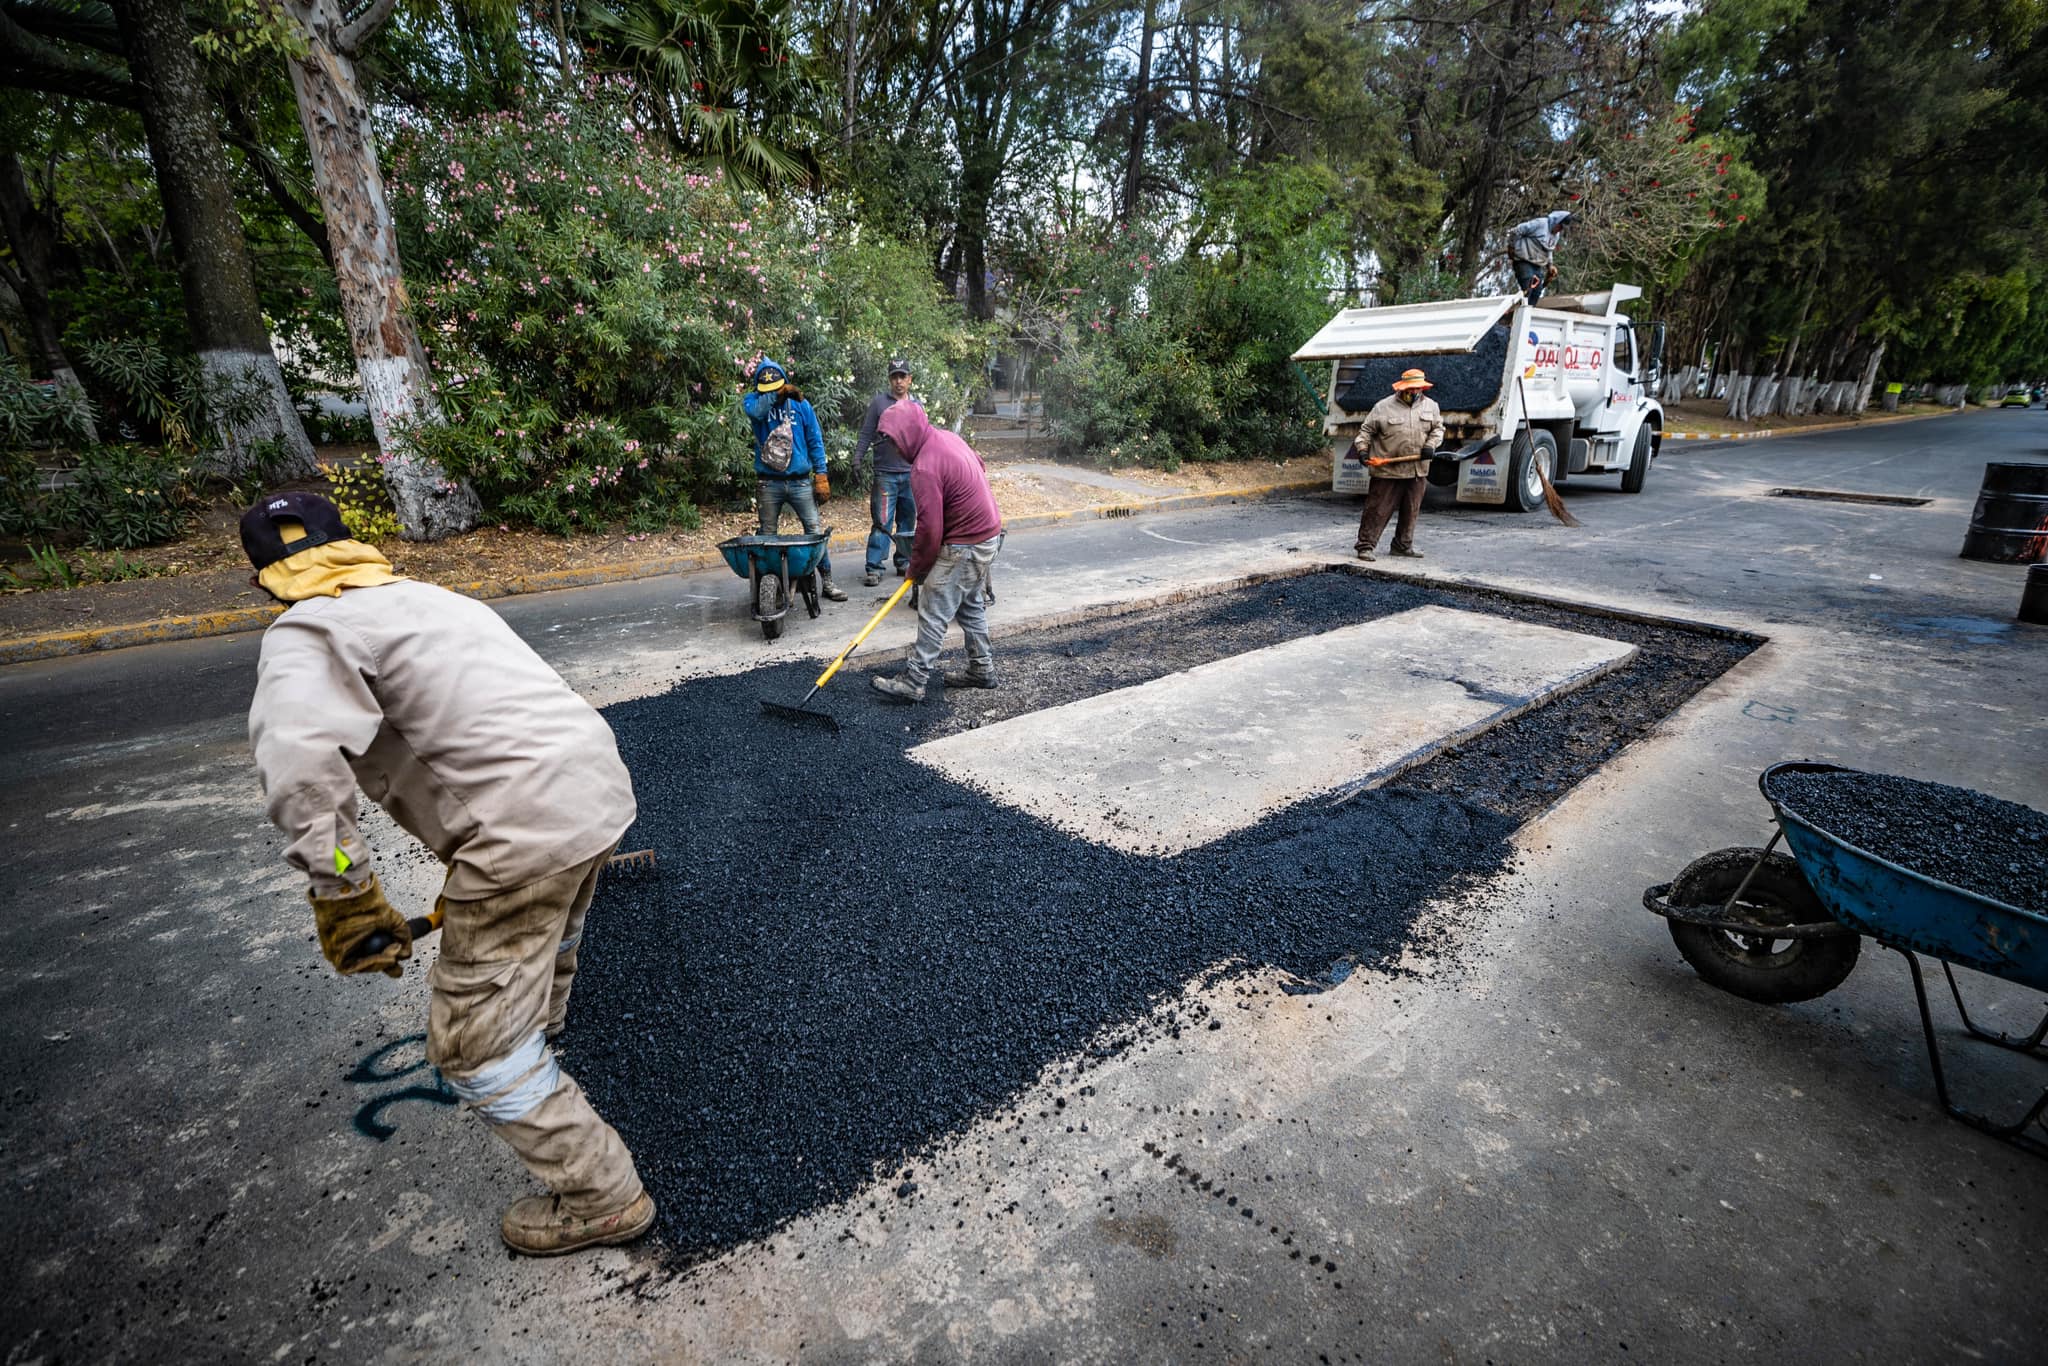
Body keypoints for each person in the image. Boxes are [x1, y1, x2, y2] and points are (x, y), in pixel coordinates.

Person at [239, 491, 653, 1257]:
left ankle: (601, 1195)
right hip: (596, 788)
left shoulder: (305, 630)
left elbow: (299, 770)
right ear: (355, 546)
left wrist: (346, 892)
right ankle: (542, 1022)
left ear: (265, 580)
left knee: (473, 1049)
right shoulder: (428, 598)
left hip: (520, 832)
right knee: (550, 926)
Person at [868, 401, 1004, 702]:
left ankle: (914, 680)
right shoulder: (948, 438)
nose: (893, 447)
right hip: (988, 536)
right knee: (969, 604)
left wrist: (916, 570)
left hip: (966, 542)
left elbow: (930, 529)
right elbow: (979, 465)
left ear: (907, 434)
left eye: (894, 440)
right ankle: (982, 670)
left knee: (933, 605)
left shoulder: (924, 467)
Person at [743, 358, 846, 602]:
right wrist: (774, 395)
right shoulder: (753, 401)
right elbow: (756, 412)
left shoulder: (801, 405)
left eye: (777, 387)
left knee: (814, 532)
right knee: (768, 535)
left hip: (800, 481)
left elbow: (814, 440)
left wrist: (821, 474)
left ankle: (828, 581)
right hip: (769, 482)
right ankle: (770, 588)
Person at [1353, 368, 1445, 562]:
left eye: (1418, 388)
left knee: (1411, 510)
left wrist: (1431, 445)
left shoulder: (1431, 407)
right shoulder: (1383, 407)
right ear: (1402, 388)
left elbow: (1438, 429)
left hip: (1417, 469)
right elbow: (1365, 431)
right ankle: (1365, 546)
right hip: (1387, 471)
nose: (1414, 392)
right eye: (1411, 388)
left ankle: (1402, 546)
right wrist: (1362, 450)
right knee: (1377, 510)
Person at [851, 358, 918, 587]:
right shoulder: (879, 403)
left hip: (911, 473)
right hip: (885, 474)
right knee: (882, 521)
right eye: (894, 376)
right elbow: (866, 433)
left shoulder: (916, 406)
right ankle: (874, 566)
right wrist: (857, 459)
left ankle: (904, 561)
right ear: (890, 380)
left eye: (903, 376)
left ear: (910, 379)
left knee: (908, 520)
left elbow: (924, 438)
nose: (899, 381)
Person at [1509, 210, 1574, 303]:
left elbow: (1549, 249)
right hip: (1524, 260)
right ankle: (1520, 311)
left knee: (1537, 291)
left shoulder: (1556, 235)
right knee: (1528, 287)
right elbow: (1517, 230)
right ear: (1556, 221)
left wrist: (1550, 265)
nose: (1560, 230)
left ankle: (1527, 313)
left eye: (1562, 228)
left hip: (1537, 265)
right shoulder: (1540, 224)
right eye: (1560, 226)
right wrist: (1511, 247)